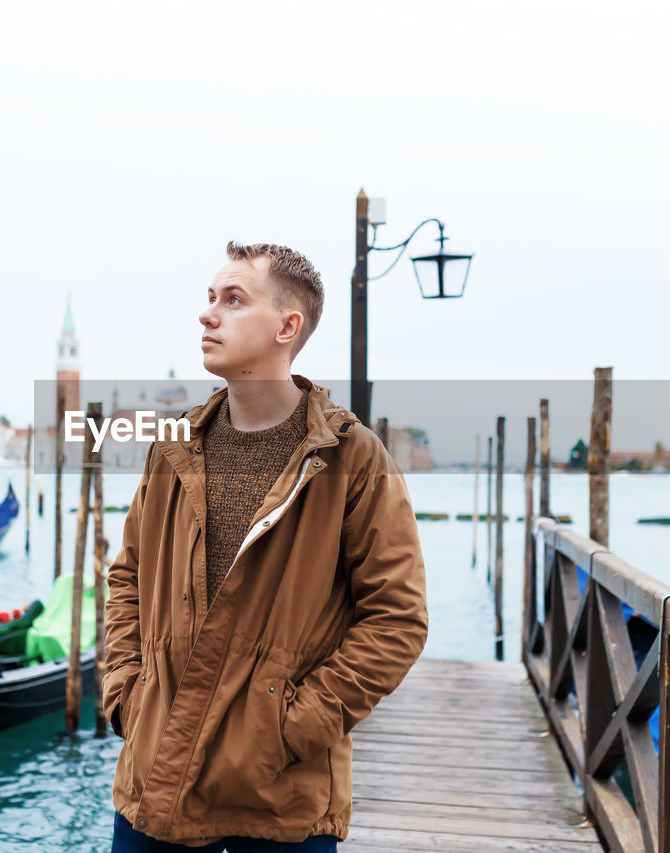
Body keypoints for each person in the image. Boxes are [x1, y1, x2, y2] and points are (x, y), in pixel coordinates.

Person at [103, 241, 428, 851]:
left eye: (233, 299)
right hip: (154, 792)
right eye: (209, 299)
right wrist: (128, 692)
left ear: (287, 326)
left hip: (279, 806)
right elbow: (128, 579)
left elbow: (397, 620)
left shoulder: (353, 458)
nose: (208, 315)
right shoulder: (172, 449)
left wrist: (287, 729)